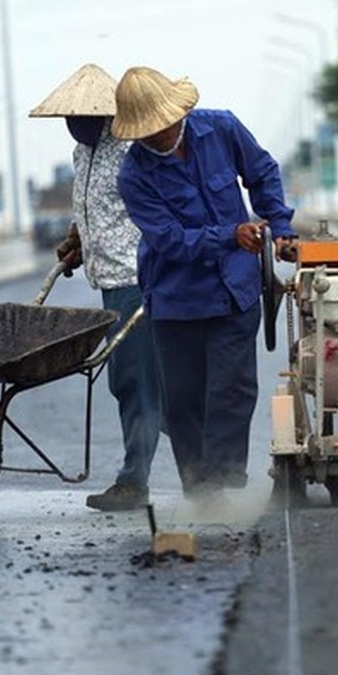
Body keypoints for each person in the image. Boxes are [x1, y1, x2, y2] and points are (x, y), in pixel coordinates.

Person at [111, 66, 296, 502]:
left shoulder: (221, 128)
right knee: (184, 401)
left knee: (231, 387)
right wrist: (229, 235)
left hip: (235, 289)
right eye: (148, 130)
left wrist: (281, 225)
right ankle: (197, 486)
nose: (159, 135)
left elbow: (263, 173)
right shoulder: (134, 176)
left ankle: (220, 476)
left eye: (164, 124)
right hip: (177, 298)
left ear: (179, 112)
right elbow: (169, 240)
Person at [27, 63, 164, 512]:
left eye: (83, 118)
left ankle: (135, 481)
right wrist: (77, 241)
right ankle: (205, 466)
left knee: (134, 381)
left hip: (135, 278)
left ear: (105, 114)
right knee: (138, 383)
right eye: (69, 119)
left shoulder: (130, 149)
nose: (74, 125)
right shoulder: (81, 155)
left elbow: (145, 210)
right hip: (107, 281)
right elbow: (94, 210)